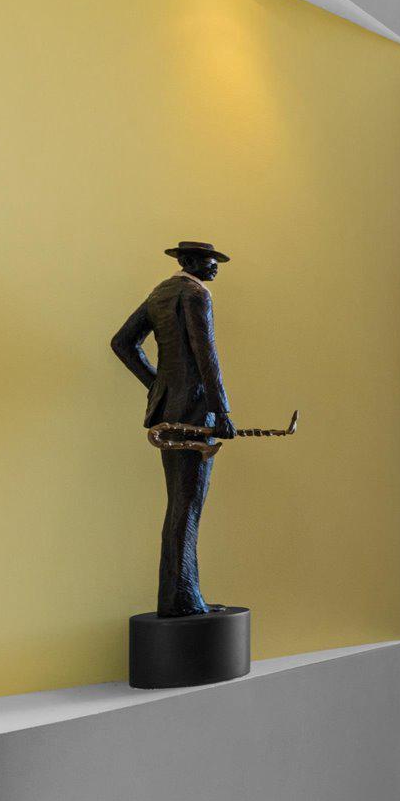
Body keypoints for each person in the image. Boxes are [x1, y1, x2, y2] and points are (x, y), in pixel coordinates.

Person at [110, 242, 235, 616]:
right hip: (195, 415)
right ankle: (183, 596)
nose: (216, 270)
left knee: (179, 504)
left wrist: (159, 386)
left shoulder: (160, 293)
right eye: (213, 264)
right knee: (188, 506)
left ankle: (179, 594)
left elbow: (122, 343)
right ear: (194, 263)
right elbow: (205, 354)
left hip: (170, 410)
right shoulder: (196, 294)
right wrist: (221, 410)